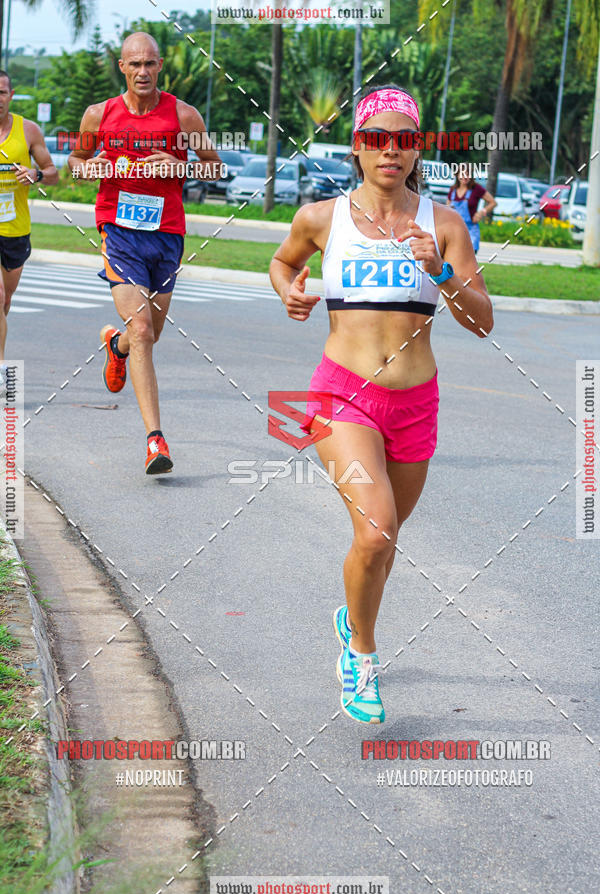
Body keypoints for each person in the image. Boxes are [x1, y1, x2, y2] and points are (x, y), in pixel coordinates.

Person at [269, 84, 494, 725]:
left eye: (403, 140)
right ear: (360, 148)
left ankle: (351, 616)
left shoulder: (443, 225)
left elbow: (483, 322)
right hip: (341, 394)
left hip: (416, 404)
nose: (389, 151)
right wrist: (290, 293)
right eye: (377, 139)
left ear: (416, 149)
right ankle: (361, 659)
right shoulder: (322, 218)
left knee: (386, 544)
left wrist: (444, 274)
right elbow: (281, 265)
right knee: (374, 533)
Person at [68, 32, 221, 474]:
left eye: (150, 64)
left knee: (149, 333)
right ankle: (155, 440)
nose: (142, 72)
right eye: (134, 64)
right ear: (122, 68)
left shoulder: (183, 115)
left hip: (166, 233)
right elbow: (75, 161)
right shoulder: (99, 115)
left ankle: (115, 347)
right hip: (118, 232)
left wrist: (182, 166)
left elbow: (214, 166)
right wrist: (88, 166)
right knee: (141, 328)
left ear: (159, 67)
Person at [0, 69, 58, 385]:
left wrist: (35, 175)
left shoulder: (29, 130)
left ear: (10, 95)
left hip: (14, 229)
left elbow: (53, 173)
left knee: (5, 302)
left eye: (2, 92)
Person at [446, 165, 496, 252]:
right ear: (457, 175)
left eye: (467, 174)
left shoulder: (476, 189)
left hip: (471, 232)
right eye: (462, 174)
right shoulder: (452, 190)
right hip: (454, 231)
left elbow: (493, 203)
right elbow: (447, 209)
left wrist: (481, 212)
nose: (465, 177)